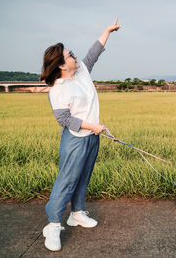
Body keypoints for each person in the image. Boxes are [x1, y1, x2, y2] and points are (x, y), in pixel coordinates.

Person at [39, 18, 120, 251]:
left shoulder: (82, 70)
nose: (74, 56)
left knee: (83, 177)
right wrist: (91, 126)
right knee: (66, 181)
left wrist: (107, 31)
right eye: (69, 54)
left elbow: (94, 53)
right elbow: (63, 120)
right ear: (62, 66)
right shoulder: (58, 90)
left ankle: (76, 213)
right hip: (75, 140)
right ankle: (53, 225)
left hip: (92, 137)